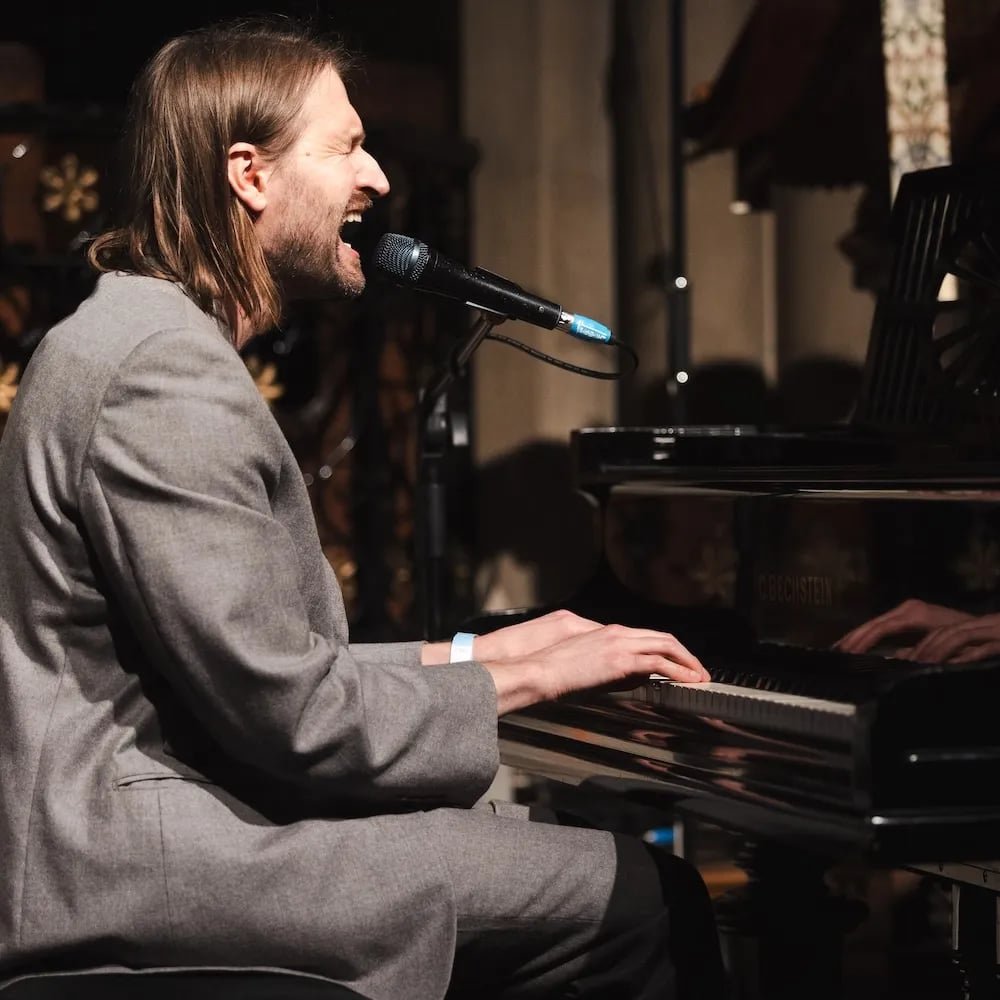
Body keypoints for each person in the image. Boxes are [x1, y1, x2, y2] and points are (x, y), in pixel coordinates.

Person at [0, 16, 727, 1000]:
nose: (377, 178)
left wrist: (482, 653)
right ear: (250, 175)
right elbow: (294, 713)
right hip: (149, 863)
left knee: (554, 854)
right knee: (641, 894)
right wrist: (534, 678)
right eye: (345, 147)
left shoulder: (136, 335)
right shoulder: (159, 373)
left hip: (172, 824)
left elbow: (264, 666)